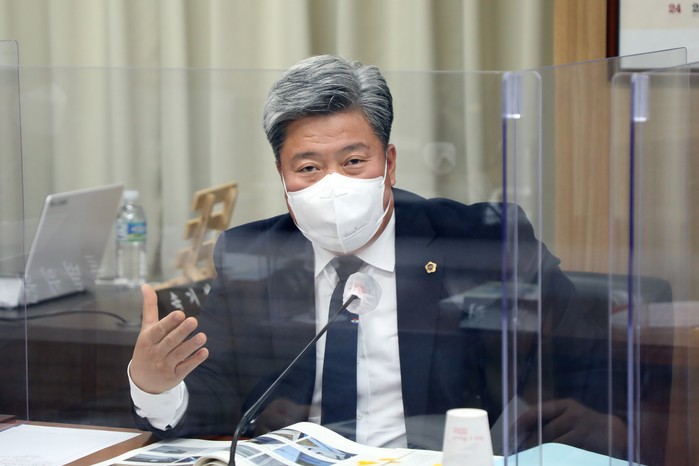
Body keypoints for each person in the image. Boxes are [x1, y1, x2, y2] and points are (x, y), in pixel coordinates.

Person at [128, 54, 626, 456]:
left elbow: (586, 369)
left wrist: (606, 424)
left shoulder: (483, 242)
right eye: (308, 167)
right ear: (282, 175)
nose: (333, 185)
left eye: (353, 161)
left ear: (388, 163)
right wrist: (156, 387)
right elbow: (215, 389)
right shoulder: (252, 253)